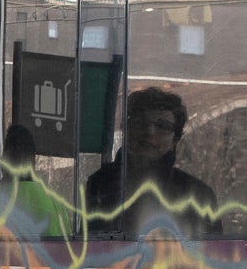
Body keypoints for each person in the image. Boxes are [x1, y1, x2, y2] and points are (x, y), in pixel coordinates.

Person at [85, 86, 220, 239]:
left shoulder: (198, 194)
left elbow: (213, 255)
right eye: (141, 123)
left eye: (162, 126)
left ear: (175, 139)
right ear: (126, 130)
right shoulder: (101, 183)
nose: (150, 132)